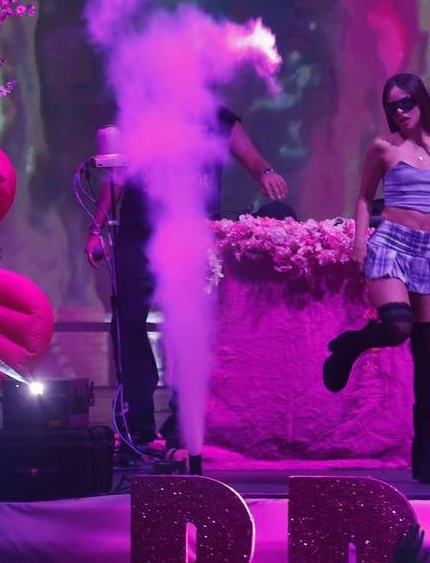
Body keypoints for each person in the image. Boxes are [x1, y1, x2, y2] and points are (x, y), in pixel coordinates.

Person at [321, 73, 430, 484]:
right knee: (398, 326)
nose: (399, 112)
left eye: (406, 104)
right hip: (391, 244)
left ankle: (423, 446)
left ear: (421, 102)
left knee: (428, 355)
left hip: (428, 251)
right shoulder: (384, 148)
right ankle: (351, 344)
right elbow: (364, 197)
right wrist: (360, 242)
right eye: (392, 107)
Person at [85, 106, 288, 452]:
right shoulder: (143, 114)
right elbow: (117, 177)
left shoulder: (218, 117)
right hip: (138, 237)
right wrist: (96, 227)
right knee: (128, 324)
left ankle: (181, 427)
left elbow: (251, 156)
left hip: (191, 239)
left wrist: (266, 172)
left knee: (189, 330)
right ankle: (139, 428)